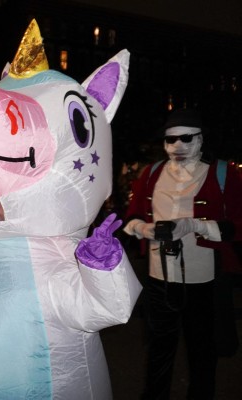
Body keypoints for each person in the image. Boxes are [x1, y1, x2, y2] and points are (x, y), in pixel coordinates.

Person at [123, 108, 242, 399]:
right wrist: (144, 228)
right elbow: (130, 217)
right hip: (158, 277)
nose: (177, 147)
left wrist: (194, 226)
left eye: (186, 138)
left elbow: (237, 226)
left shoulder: (224, 174)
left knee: (203, 351)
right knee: (159, 349)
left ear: (200, 139)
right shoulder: (151, 174)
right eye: (170, 140)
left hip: (204, 280)